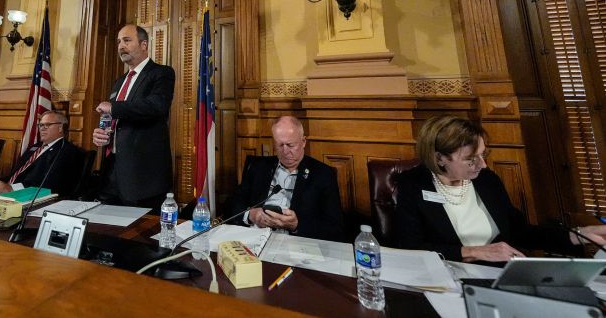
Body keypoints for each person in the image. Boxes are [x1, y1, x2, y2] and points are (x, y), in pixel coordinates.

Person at [395, 114, 606, 263]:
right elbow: (411, 248)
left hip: (499, 274)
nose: (482, 165)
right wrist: (474, 252)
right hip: (448, 277)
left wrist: (577, 235)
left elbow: (520, 231)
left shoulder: (486, 180)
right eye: (470, 159)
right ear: (439, 158)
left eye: (483, 155)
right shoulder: (413, 185)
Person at [92, 25, 175, 209]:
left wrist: (113, 108)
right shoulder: (119, 81)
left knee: (141, 234)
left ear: (144, 44)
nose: (121, 46)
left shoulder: (161, 73)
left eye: (127, 40)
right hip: (112, 173)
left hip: (143, 177)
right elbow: (115, 117)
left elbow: (156, 106)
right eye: (119, 42)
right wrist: (102, 134)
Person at [224, 116, 344, 241]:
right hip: (254, 237)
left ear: (303, 142)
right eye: (280, 145)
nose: (285, 151)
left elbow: (335, 228)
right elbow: (232, 203)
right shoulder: (257, 167)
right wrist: (250, 215)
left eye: (290, 145)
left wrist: (296, 225)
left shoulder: (323, 174)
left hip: (296, 244)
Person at [0, 111, 82, 198]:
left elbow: (49, 184)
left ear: (60, 128)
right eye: (41, 125)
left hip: (29, 198)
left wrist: (11, 188)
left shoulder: (66, 150)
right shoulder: (34, 147)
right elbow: (14, 175)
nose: (42, 128)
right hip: (7, 195)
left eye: (47, 125)